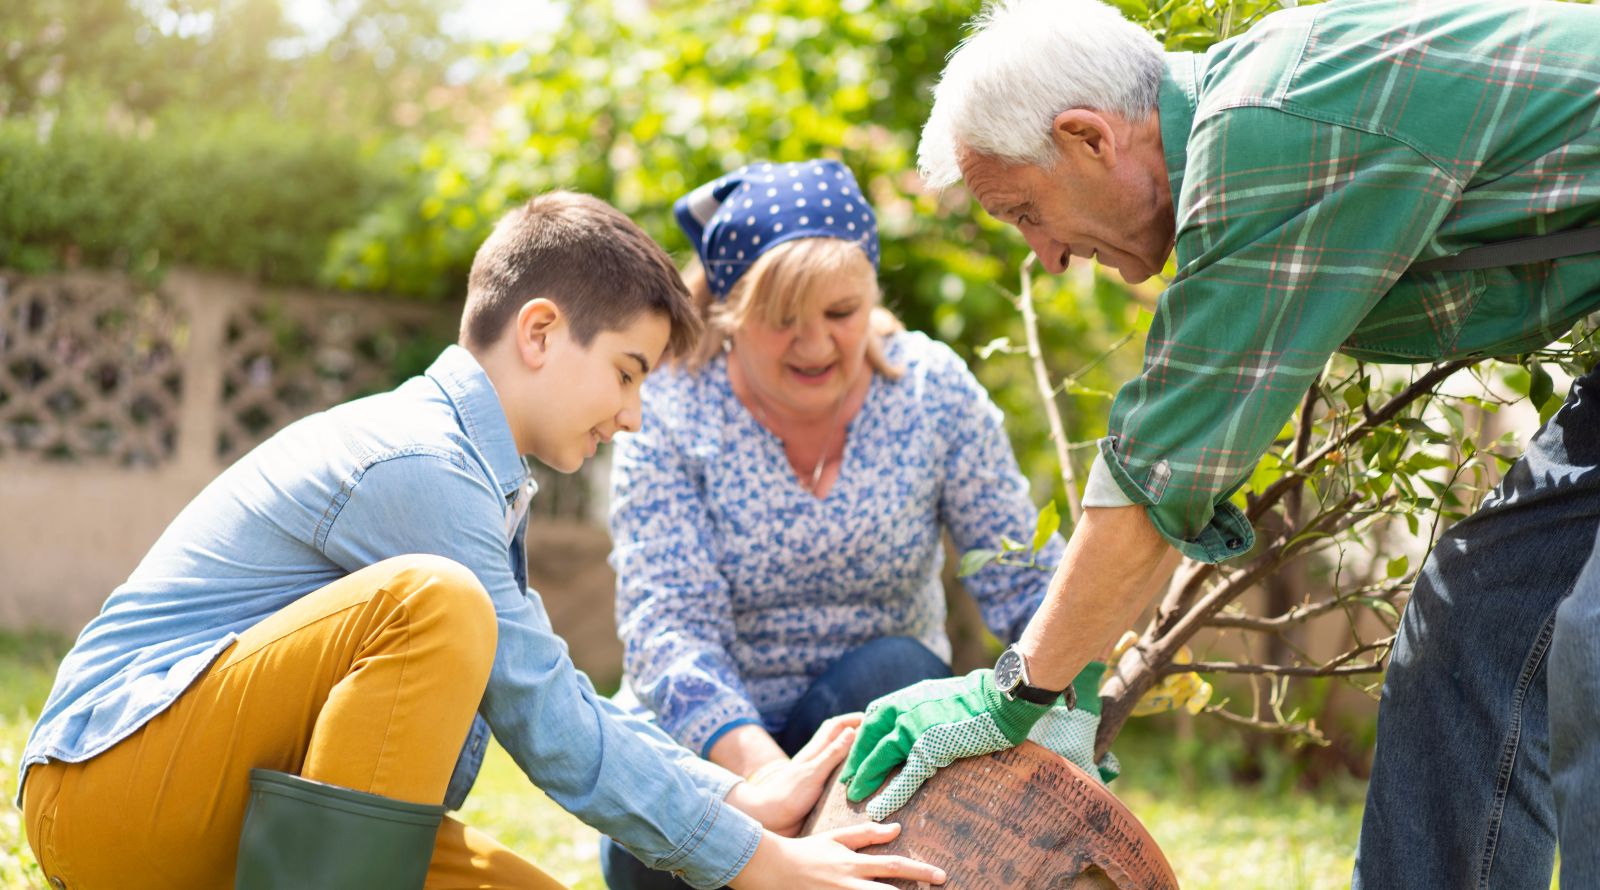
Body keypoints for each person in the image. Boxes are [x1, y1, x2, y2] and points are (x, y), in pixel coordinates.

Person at [840, 0, 1600, 886]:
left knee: (1591, 638)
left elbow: (1159, 478)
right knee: (1473, 628)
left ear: (1089, 139)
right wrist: (1065, 674)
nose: (1045, 256)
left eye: (1023, 212)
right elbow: (1172, 467)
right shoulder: (1254, 117)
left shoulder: (1269, 135)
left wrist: (1012, 692)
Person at [17, 191, 949, 890]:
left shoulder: (482, 475)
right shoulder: (415, 462)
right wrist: (763, 864)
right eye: (627, 375)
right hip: (110, 797)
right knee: (437, 602)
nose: (632, 418)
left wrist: (730, 797)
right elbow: (546, 716)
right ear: (539, 331)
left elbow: (554, 688)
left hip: (261, 808)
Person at [598, 159, 1113, 888]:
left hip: (873, 747)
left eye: (840, 314)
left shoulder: (930, 391)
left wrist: (1071, 696)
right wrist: (769, 784)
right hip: (717, 762)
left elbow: (1019, 571)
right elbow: (668, 629)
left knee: (897, 670)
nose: (815, 346)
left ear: (871, 298)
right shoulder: (673, 410)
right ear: (731, 315)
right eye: (782, 322)